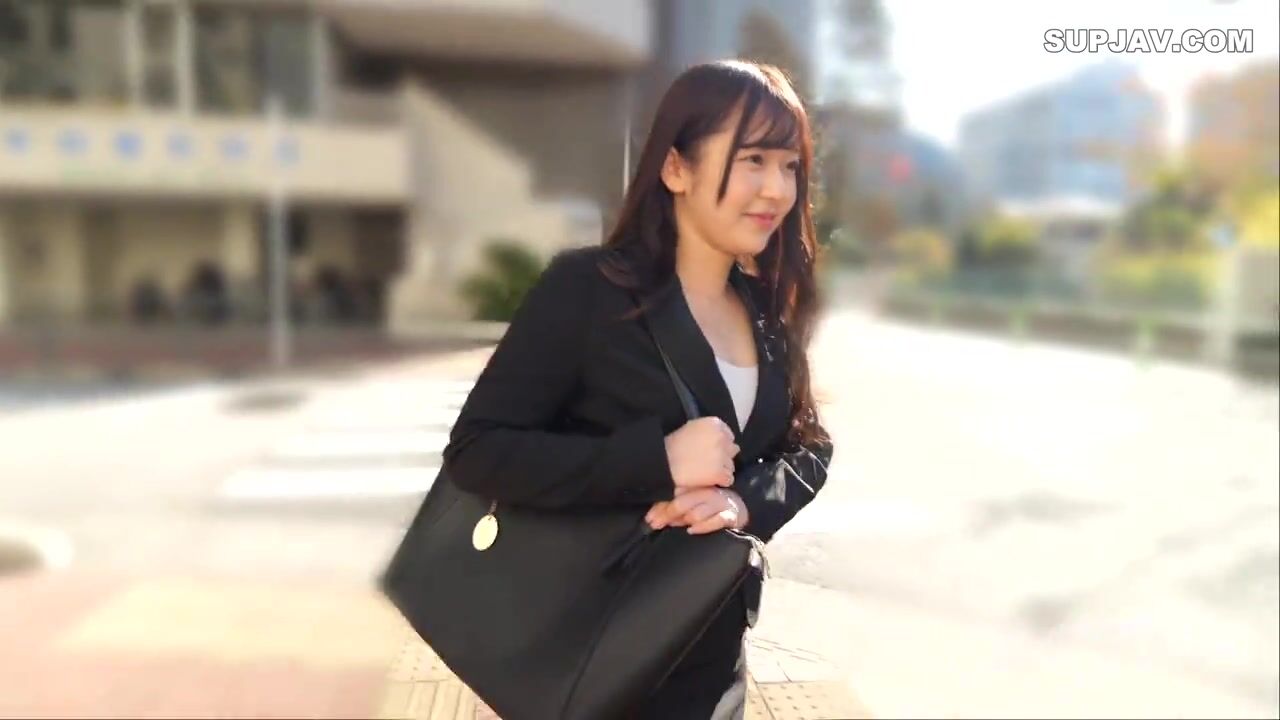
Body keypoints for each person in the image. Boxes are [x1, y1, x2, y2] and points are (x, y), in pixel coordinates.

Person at [441, 60, 834, 720]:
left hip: (711, 666)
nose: (777, 189)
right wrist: (656, 460)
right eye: (754, 160)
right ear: (676, 168)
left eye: (790, 165)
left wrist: (743, 502)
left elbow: (809, 445)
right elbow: (477, 451)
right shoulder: (589, 291)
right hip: (594, 660)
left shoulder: (765, 310)